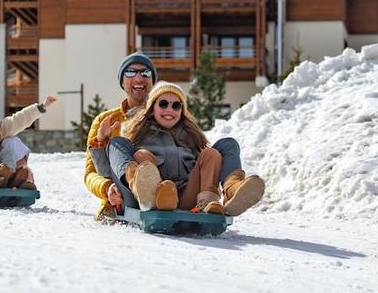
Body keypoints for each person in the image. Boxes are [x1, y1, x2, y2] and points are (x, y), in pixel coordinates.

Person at [110, 81, 265, 215]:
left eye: (176, 105)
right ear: (152, 108)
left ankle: (229, 191)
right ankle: (147, 191)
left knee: (217, 150)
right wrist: (100, 143)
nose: (170, 110)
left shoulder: (192, 137)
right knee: (138, 153)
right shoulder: (138, 135)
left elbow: (207, 167)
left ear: (181, 111)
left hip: (188, 198)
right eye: (163, 104)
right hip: (156, 197)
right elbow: (112, 164)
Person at [84, 52, 157, 220]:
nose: (139, 78)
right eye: (131, 72)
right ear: (122, 82)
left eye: (145, 73)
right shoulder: (105, 121)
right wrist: (107, 188)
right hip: (120, 203)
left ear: (152, 81)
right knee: (117, 145)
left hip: (159, 200)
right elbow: (90, 173)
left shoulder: (166, 117)